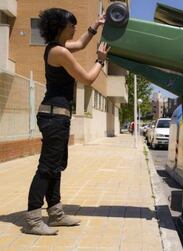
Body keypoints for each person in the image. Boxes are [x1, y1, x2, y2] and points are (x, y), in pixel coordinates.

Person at [23, 8, 110, 235]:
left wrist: (96, 25)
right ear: (61, 28)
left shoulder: (55, 47)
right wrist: (100, 61)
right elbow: (88, 78)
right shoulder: (59, 52)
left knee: (57, 167)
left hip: (56, 115)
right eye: (72, 25)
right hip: (54, 116)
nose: (74, 29)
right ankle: (33, 220)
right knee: (47, 168)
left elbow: (80, 44)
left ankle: (56, 214)